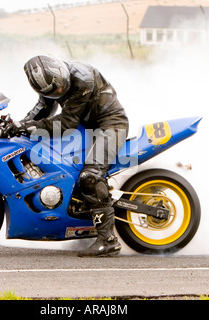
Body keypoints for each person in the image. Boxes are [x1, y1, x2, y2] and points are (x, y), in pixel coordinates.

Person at [17, 55, 129, 257]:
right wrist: (18, 125)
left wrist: (28, 127)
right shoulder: (51, 84)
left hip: (110, 124)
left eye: (60, 88)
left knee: (90, 176)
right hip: (86, 127)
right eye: (53, 92)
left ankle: (108, 240)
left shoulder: (82, 79)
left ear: (61, 73)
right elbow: (43, 107)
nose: (59, 92)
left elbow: (66, 124)